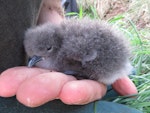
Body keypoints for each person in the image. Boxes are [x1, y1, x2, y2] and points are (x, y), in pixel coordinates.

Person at [0, 0, 142, 113]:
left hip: (103, 64)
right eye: (34, 55)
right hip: (13, 91)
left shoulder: (73, 48)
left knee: (134, 79)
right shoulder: (52, 49)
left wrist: (49, 11)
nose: (36, 58)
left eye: (45, 51)